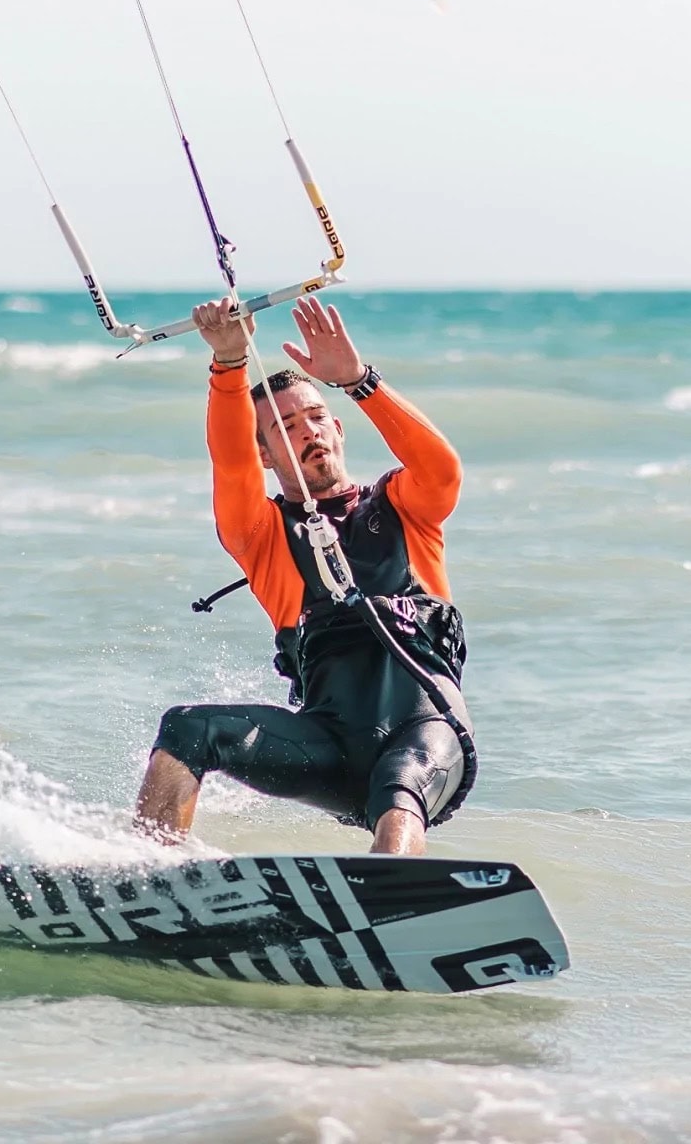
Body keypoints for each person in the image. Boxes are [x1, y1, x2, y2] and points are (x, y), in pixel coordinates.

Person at [132, 294, 473, 856]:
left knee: (400, 787)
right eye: (286, 428)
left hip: (427, 734)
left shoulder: (405, 507)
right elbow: (230, 460)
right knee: (186, 728)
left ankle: (387, 905)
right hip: (329, 744)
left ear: (338, 428)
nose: (308, 431)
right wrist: (231, 362)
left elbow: (442, 468)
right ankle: (146, 875)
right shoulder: (261, 535)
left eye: (316, 417)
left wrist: (359, 380)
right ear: (265, 454)